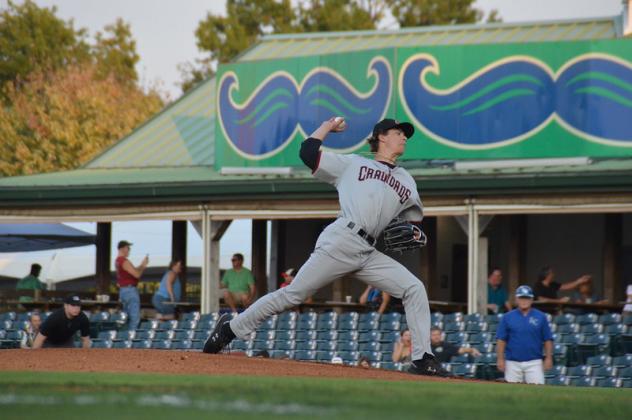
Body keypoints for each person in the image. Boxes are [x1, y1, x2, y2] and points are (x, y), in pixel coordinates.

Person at [204, 117, 449, 377]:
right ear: (381, 137)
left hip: (368, 252)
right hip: (342, 240)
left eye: (405, 134)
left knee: (414, 288)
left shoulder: (407, 180)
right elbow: (308, 153)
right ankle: (230, 329)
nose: (404, 137)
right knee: (293, 295)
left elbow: (409, 222)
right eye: (398, 132)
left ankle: (423, 358)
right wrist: (327, 127)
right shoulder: (353, 164)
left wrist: (414, 232)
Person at [496, 285, 553, 385]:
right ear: (516, 299)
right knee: (511, 394)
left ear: (532, 299)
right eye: (521, 297)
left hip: (534, 362)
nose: (524, 301)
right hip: (512, 362)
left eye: (527, 298)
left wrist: (548, 358)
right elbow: (501, 340)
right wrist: (500, 359)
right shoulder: (507, 317)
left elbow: (547, 339)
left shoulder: (541, 316)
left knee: (538, 394)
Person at [116, 240, 148, 331]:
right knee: (134, 318)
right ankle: (130, 338)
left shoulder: (118, 261)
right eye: (128, 248)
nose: (129, 250)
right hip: (130, 290)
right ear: (122, 249)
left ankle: (124, 337)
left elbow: (132, 271)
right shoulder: (123, 261)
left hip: (123, 290)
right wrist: (143, 266)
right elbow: (137, 274)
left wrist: (141, 266)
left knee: (125, 317)